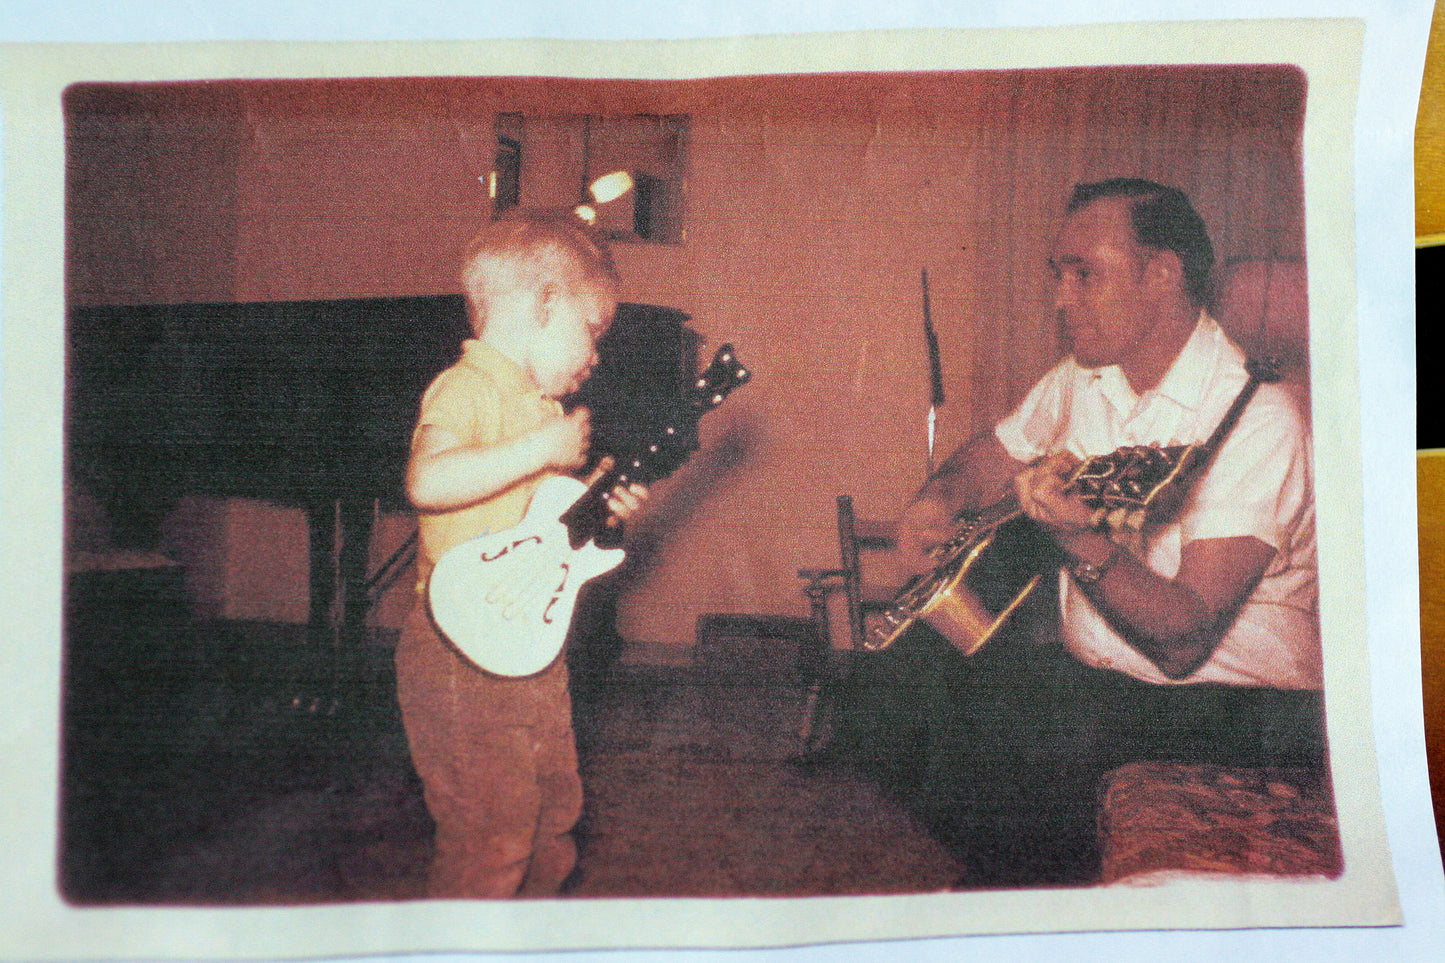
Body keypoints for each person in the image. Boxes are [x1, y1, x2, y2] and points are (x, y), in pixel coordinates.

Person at [836, 178, 1322, 887]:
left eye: (1083, 274)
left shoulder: (1257, 417)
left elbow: (1183, 637)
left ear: (1162, 274)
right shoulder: (1083, 379)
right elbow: (998, 451)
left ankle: (1027, 893)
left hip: (1236, 707)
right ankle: (1028, 882)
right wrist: (939, 496)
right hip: (1105, 681)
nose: (1061, 299)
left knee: (1029, 743)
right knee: (878, 700)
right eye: (1057, 276)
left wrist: (1080, 541)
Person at [396, 211, 647, 898]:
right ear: (542, 302)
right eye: (593, 329)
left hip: (530, 647)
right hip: (457, 651)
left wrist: (601, 514)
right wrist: (541, 450)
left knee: (549, 821)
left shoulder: (540, 412)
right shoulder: (466, 388)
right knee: (490, 834)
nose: (596, 354)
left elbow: (545, 537)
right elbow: (427, 480)